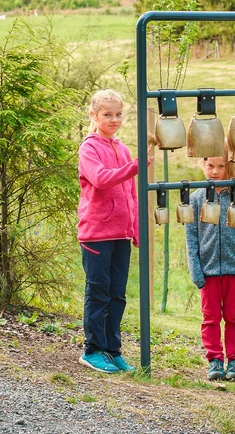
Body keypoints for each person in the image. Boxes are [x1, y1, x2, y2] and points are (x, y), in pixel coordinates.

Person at [77, 89, 153, 374]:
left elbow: (131, 195)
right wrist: (135, 167)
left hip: (120, 234)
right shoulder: (89, 148)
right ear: (94, 115)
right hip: (97, 234)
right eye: (107, 114)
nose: (114, 119)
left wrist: (135, 228)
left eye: (118, 114)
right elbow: (100, 179)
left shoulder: (122, 148)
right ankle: (92, 350)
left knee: (117, 294)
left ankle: (112, 350)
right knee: (99, 292)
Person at [185, 149, 235, 382]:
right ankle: (215, 359)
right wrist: (196, 271)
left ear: (229, 167)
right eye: (210, 166)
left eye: (221, 166)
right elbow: (191, 237)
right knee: (211, 318)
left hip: (234, 270)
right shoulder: (195, 199)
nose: (215, 172)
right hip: (208, 272)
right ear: (202, 166)